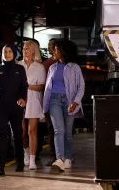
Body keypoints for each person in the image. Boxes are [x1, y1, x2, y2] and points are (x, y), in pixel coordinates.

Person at [43, 39, 85, 171]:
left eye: (56, 49)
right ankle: (59, 159)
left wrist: (75, 102)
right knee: (58, 130)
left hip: (69, 101)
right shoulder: (52, 68)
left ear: (63, 51)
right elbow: (47, 88)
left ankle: (67, 158)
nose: (54, 51)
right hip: (54, 100)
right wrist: (45, 106)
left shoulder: (74, 67)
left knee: (67, 132)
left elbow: (81, 87)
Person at [0, 44, 28, 176]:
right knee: (1, 136)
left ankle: (20, 163)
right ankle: (1, 166)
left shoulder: (20, 69)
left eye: (10, 52)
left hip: (16, 108)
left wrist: (23, 98)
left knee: (17, 135)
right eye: (5, 52)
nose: (7, 54)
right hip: (1, 107)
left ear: (14, 53)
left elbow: (24, 87)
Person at [18, 40, 46, 170]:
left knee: (32, 130)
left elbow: (41, 86)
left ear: (34, 50)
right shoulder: (18, 66)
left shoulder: (39, 67)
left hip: (34, 100)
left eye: (27, 48)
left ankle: (33, 159)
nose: (25, 51)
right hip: (19, 101)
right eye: (23, 48)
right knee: (22, 132)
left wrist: (27, 86)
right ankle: (26, 152)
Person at [41, 38, 57, 166]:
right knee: (51, 129)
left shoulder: (66, 63)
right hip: (49, 99)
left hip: (62, 100)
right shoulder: (46, 64)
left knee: (63, 130)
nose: (49, 48)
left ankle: (64, 155)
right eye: (49, 45)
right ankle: (54, 156)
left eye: (51, 45)